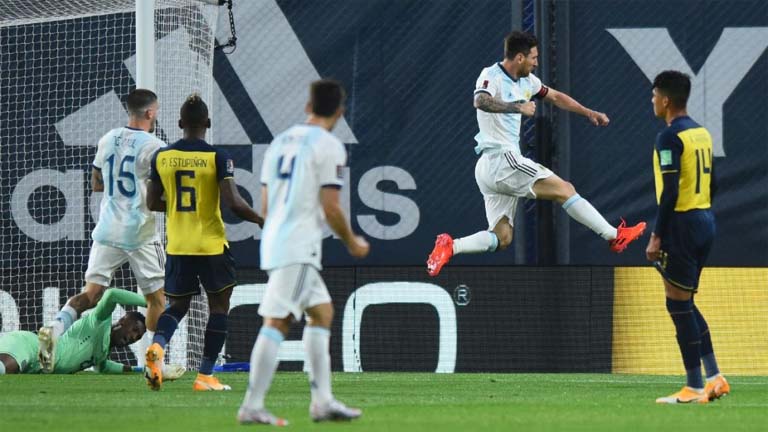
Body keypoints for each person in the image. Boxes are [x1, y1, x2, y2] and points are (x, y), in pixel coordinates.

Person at [427, 31, 646, 276]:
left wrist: (588, 112)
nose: (537, 62)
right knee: (565, 190)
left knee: (502, 237)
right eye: (533, 57)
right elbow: (480, 101)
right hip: (502, 160)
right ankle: (614, 235)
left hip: (490, 169)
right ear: (519, 57)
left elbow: (554, 96)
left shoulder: (528, 81)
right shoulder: (491, 75)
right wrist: (517, 107)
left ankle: (451, 246)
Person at [237, 79, 369, 426]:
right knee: (277, 321)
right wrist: (352, 241)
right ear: (339, 112)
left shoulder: (279, 142)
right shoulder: (329, 146)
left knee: (321, 312)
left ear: (307, 106)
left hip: (278, 240)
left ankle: (322, 402)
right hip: (298, 245)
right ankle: (252, 405)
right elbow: (331, 208)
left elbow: (264, 205)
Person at [38, 89, 182, 380]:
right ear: (150, 113)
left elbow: (96, 183)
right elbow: (162, 192)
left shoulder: (107, 138)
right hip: (139, 231)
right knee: (157, 300)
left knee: (90, 294)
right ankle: (156, 363)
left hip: (106, 228)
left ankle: (54, 329)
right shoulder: (155, 146)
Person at [145, 94, 264, 391]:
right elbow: (234, 204)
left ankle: (157, 348)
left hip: (178, 246)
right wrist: (262, 220)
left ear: (180, 123)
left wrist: (175, 207)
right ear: (207, 124)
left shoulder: (162, 157)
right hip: (211, 246)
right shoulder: (217, 157)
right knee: (219, 309)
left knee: (176, 307)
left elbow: (151, 202)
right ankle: (205, 376)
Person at [646, 70, 729, 404]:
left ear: (666, 100)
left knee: (677, 304)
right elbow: (714, 183)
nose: (651, 101)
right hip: (704, 218)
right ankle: (715, 377)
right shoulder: (701, 133)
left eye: (654, 96)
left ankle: (694, 386)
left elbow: (668, 192)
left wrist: (656, 235)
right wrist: (701, 213)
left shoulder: (668, 137)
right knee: (686, 301)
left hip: (680, 223)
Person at [1, 289, 147, 375]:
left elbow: (104, 367)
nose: (134, 337)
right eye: (134, 329)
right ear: (123, 321)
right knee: (4, 367)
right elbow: (111, 294)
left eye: (138, 337)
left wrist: (140, 370)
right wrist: (150, 303)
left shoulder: (102, 352)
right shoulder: (100, 321)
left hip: (38, 366)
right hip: (34, 346)